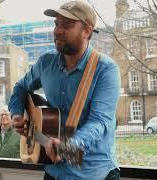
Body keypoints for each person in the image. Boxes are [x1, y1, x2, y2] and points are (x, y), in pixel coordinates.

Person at [9, 1, 120, 179]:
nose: (57, 30)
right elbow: (20, 87)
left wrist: (70, 145)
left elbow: (100, 122)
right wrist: (16, 113)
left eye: (67, 25)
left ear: (87, 31)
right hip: (53, 173)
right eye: (56, 24)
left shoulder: (106, 69)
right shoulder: (45, 63)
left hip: (93, 174)